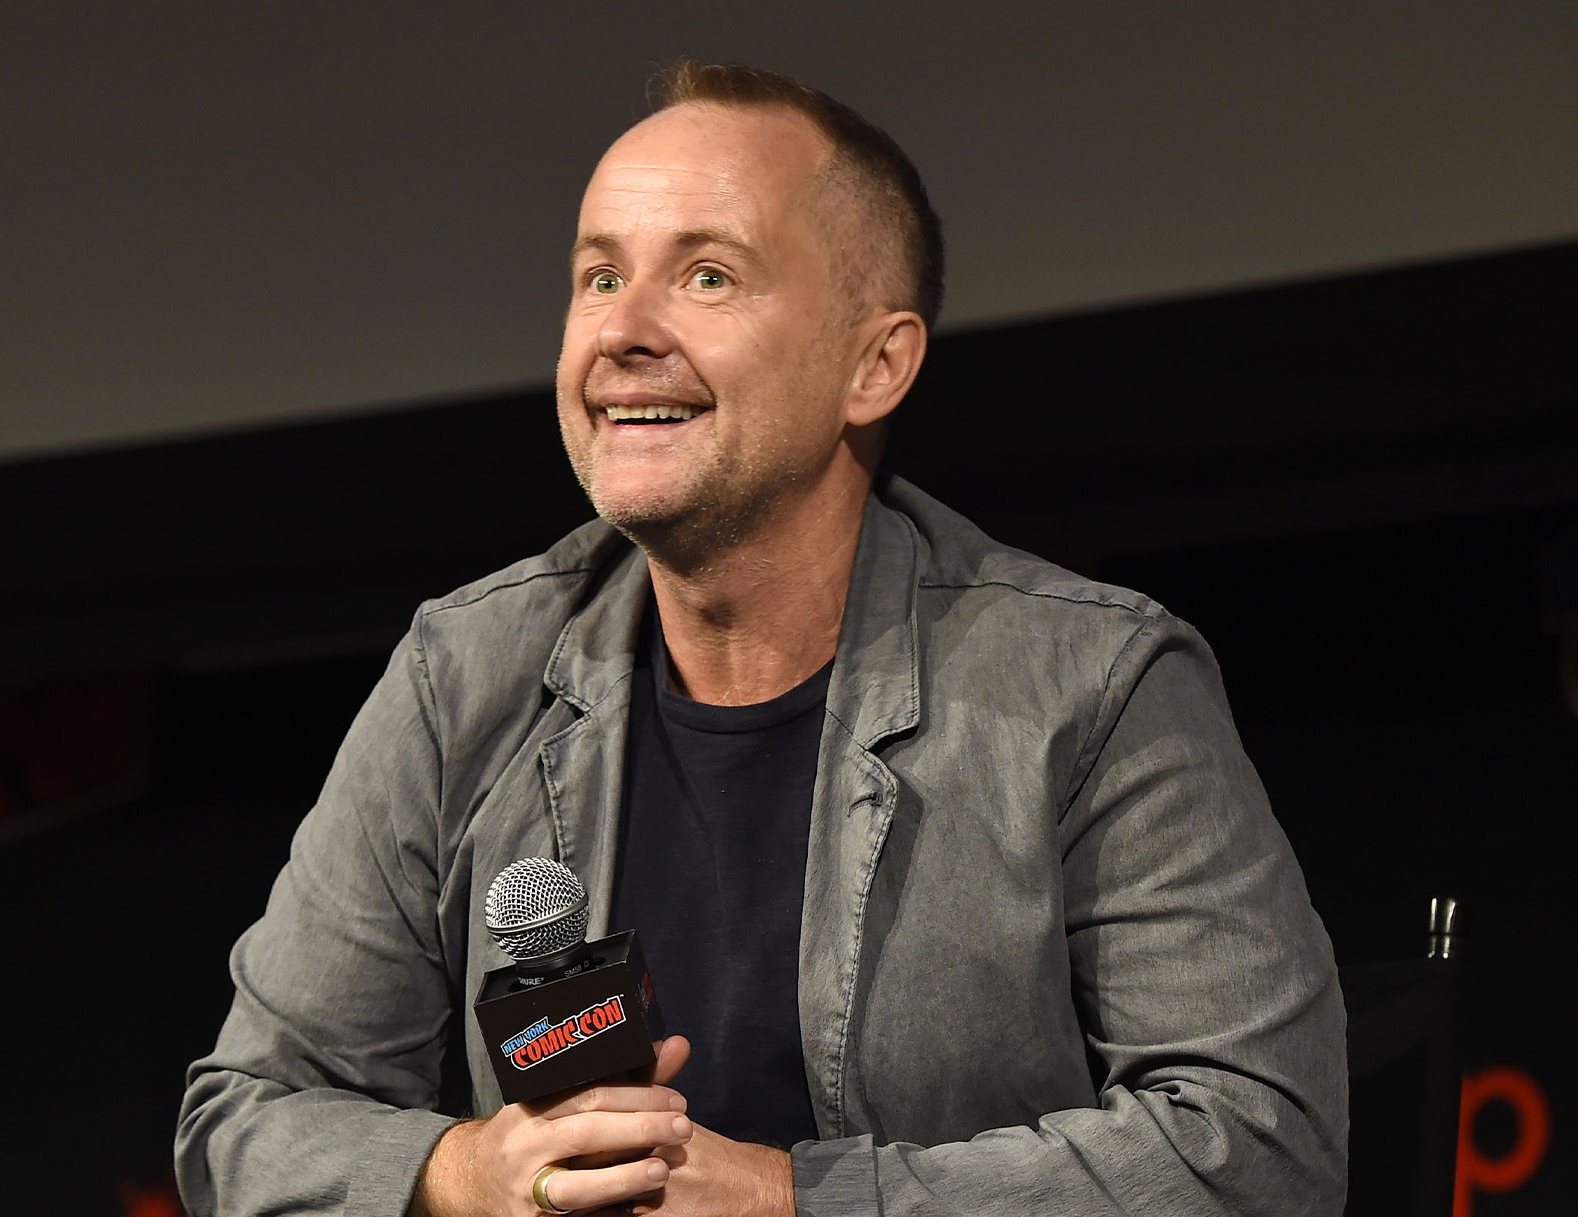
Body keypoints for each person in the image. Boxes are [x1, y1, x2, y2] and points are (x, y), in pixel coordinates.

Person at [176, 63, 1349, 1216]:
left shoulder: (1090, 683)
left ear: (873, 364)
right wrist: (463, 1175)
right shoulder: (463, 674)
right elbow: (248, 1120)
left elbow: (1257, 1145)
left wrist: (791, 1200)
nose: (621, 330)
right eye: (598, 277)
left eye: (707, 276)